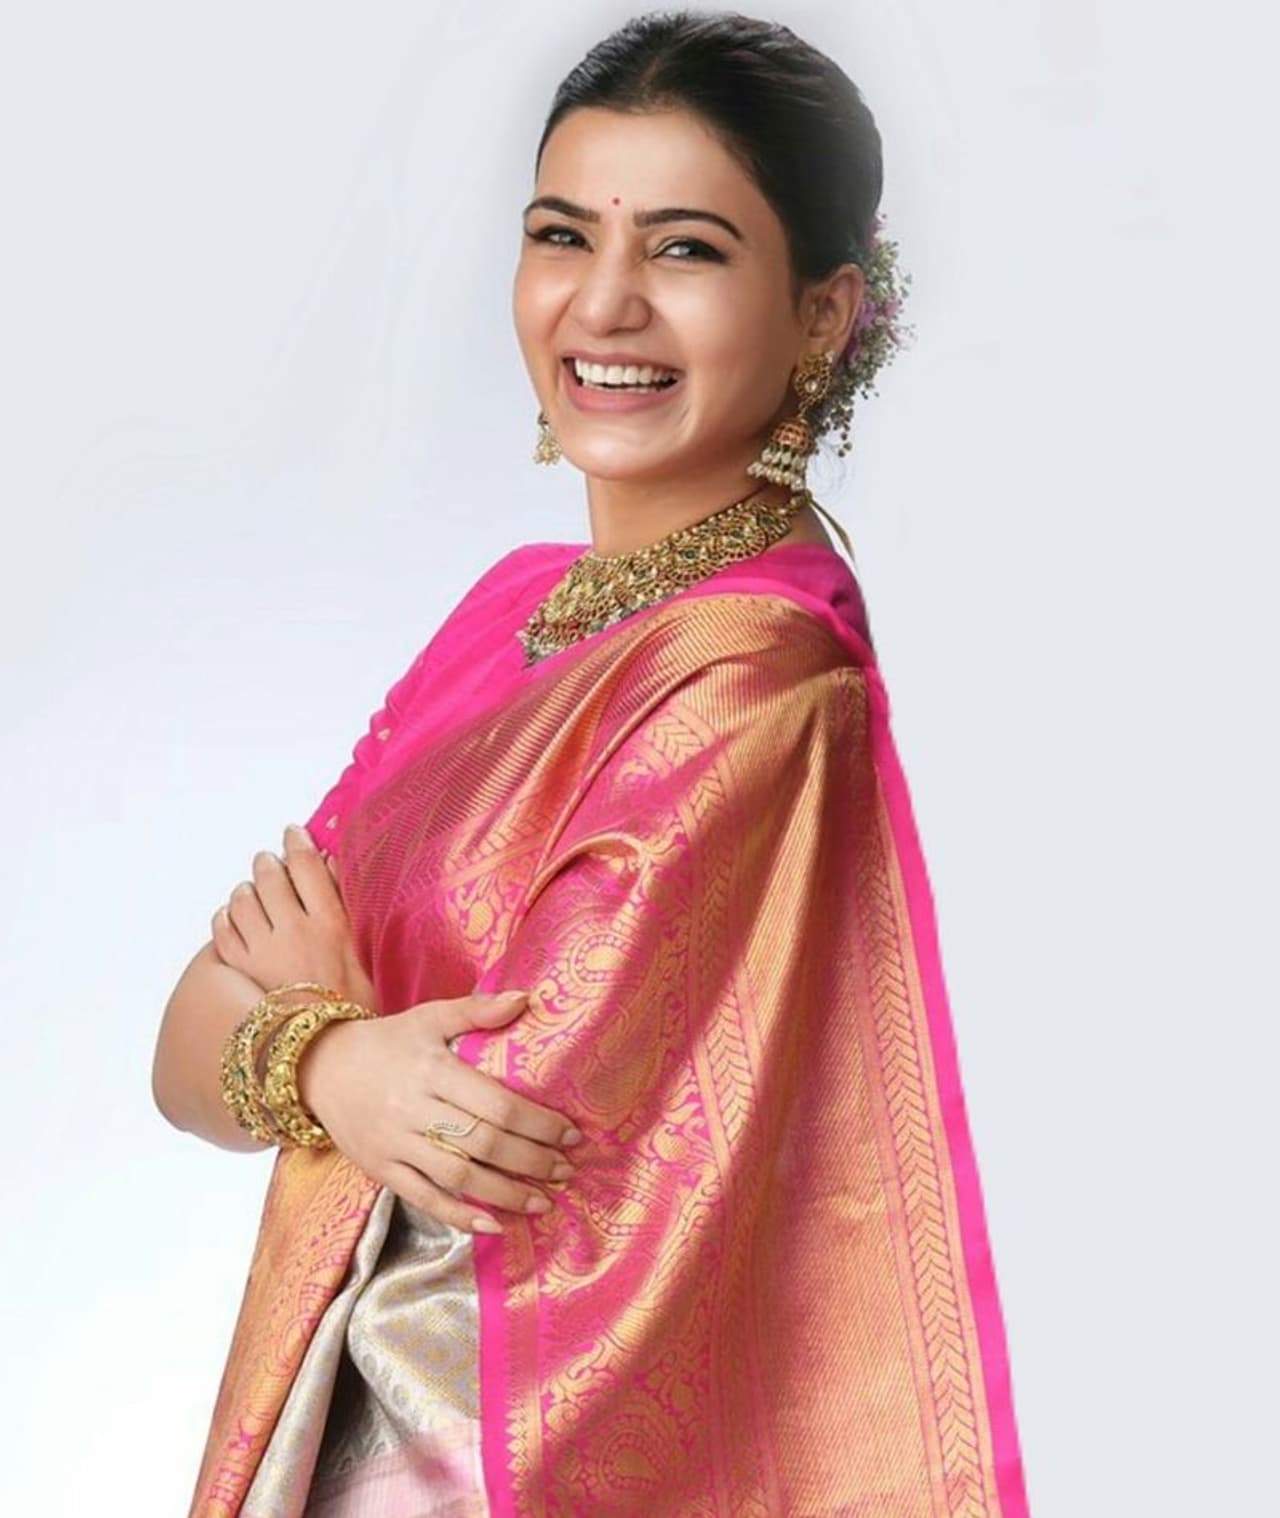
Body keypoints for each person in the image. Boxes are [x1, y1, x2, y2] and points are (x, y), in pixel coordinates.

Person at [152, 10, 1030, 1515]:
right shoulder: (510, 611)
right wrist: (335, 1057)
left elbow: (505, 1144)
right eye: (564, 234)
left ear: (822, 315)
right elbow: (187, 1041)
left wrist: (308, 1033)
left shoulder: (755, 672)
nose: (604, 302)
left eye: (685, 249)